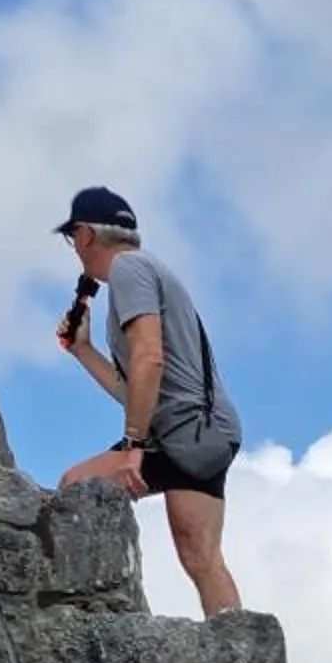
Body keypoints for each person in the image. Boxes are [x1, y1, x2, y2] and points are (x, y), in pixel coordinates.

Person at [51, 184, 243, 614]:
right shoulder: (149, 269)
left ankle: (97, 620)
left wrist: (133, 446)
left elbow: (148, 356)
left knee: (75, 488)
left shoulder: (129, 270)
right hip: (207, 433)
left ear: (84, 235)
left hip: (176, 434)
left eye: (72, 240)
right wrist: (83, 351)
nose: (75, 250)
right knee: (202, 559)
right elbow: (137, 386)